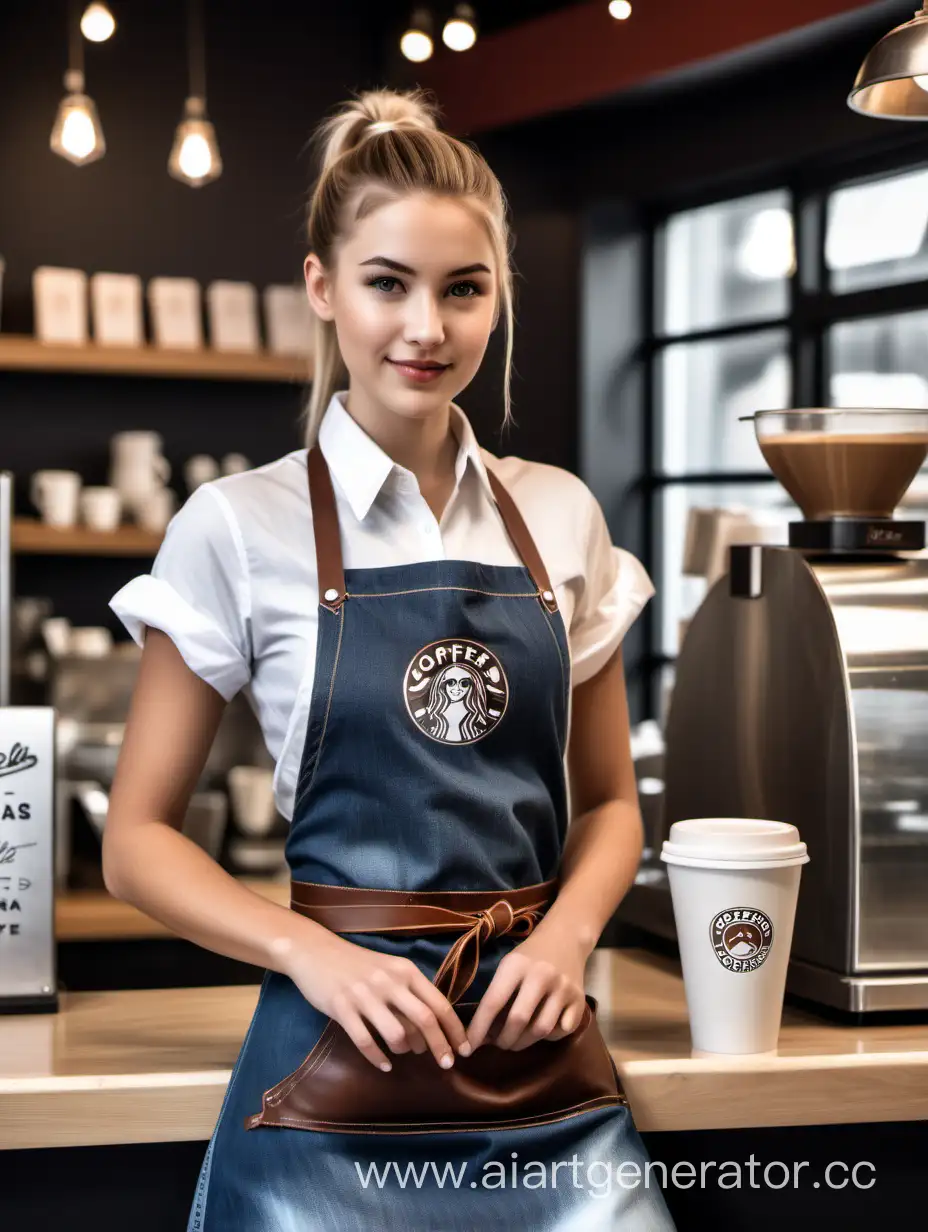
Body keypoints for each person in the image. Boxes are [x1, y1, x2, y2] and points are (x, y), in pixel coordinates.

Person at [103, 86, 675, 1232]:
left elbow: (611, 803)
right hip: (331, 1061)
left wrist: (565, 936)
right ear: (323, 288)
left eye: (463, 289)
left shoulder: (560, 514)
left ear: (497, 295)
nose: (427, 327)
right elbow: (135, 843)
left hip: (541, 1057)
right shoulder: (235, 525)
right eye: (387, 283)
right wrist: (311, 954)